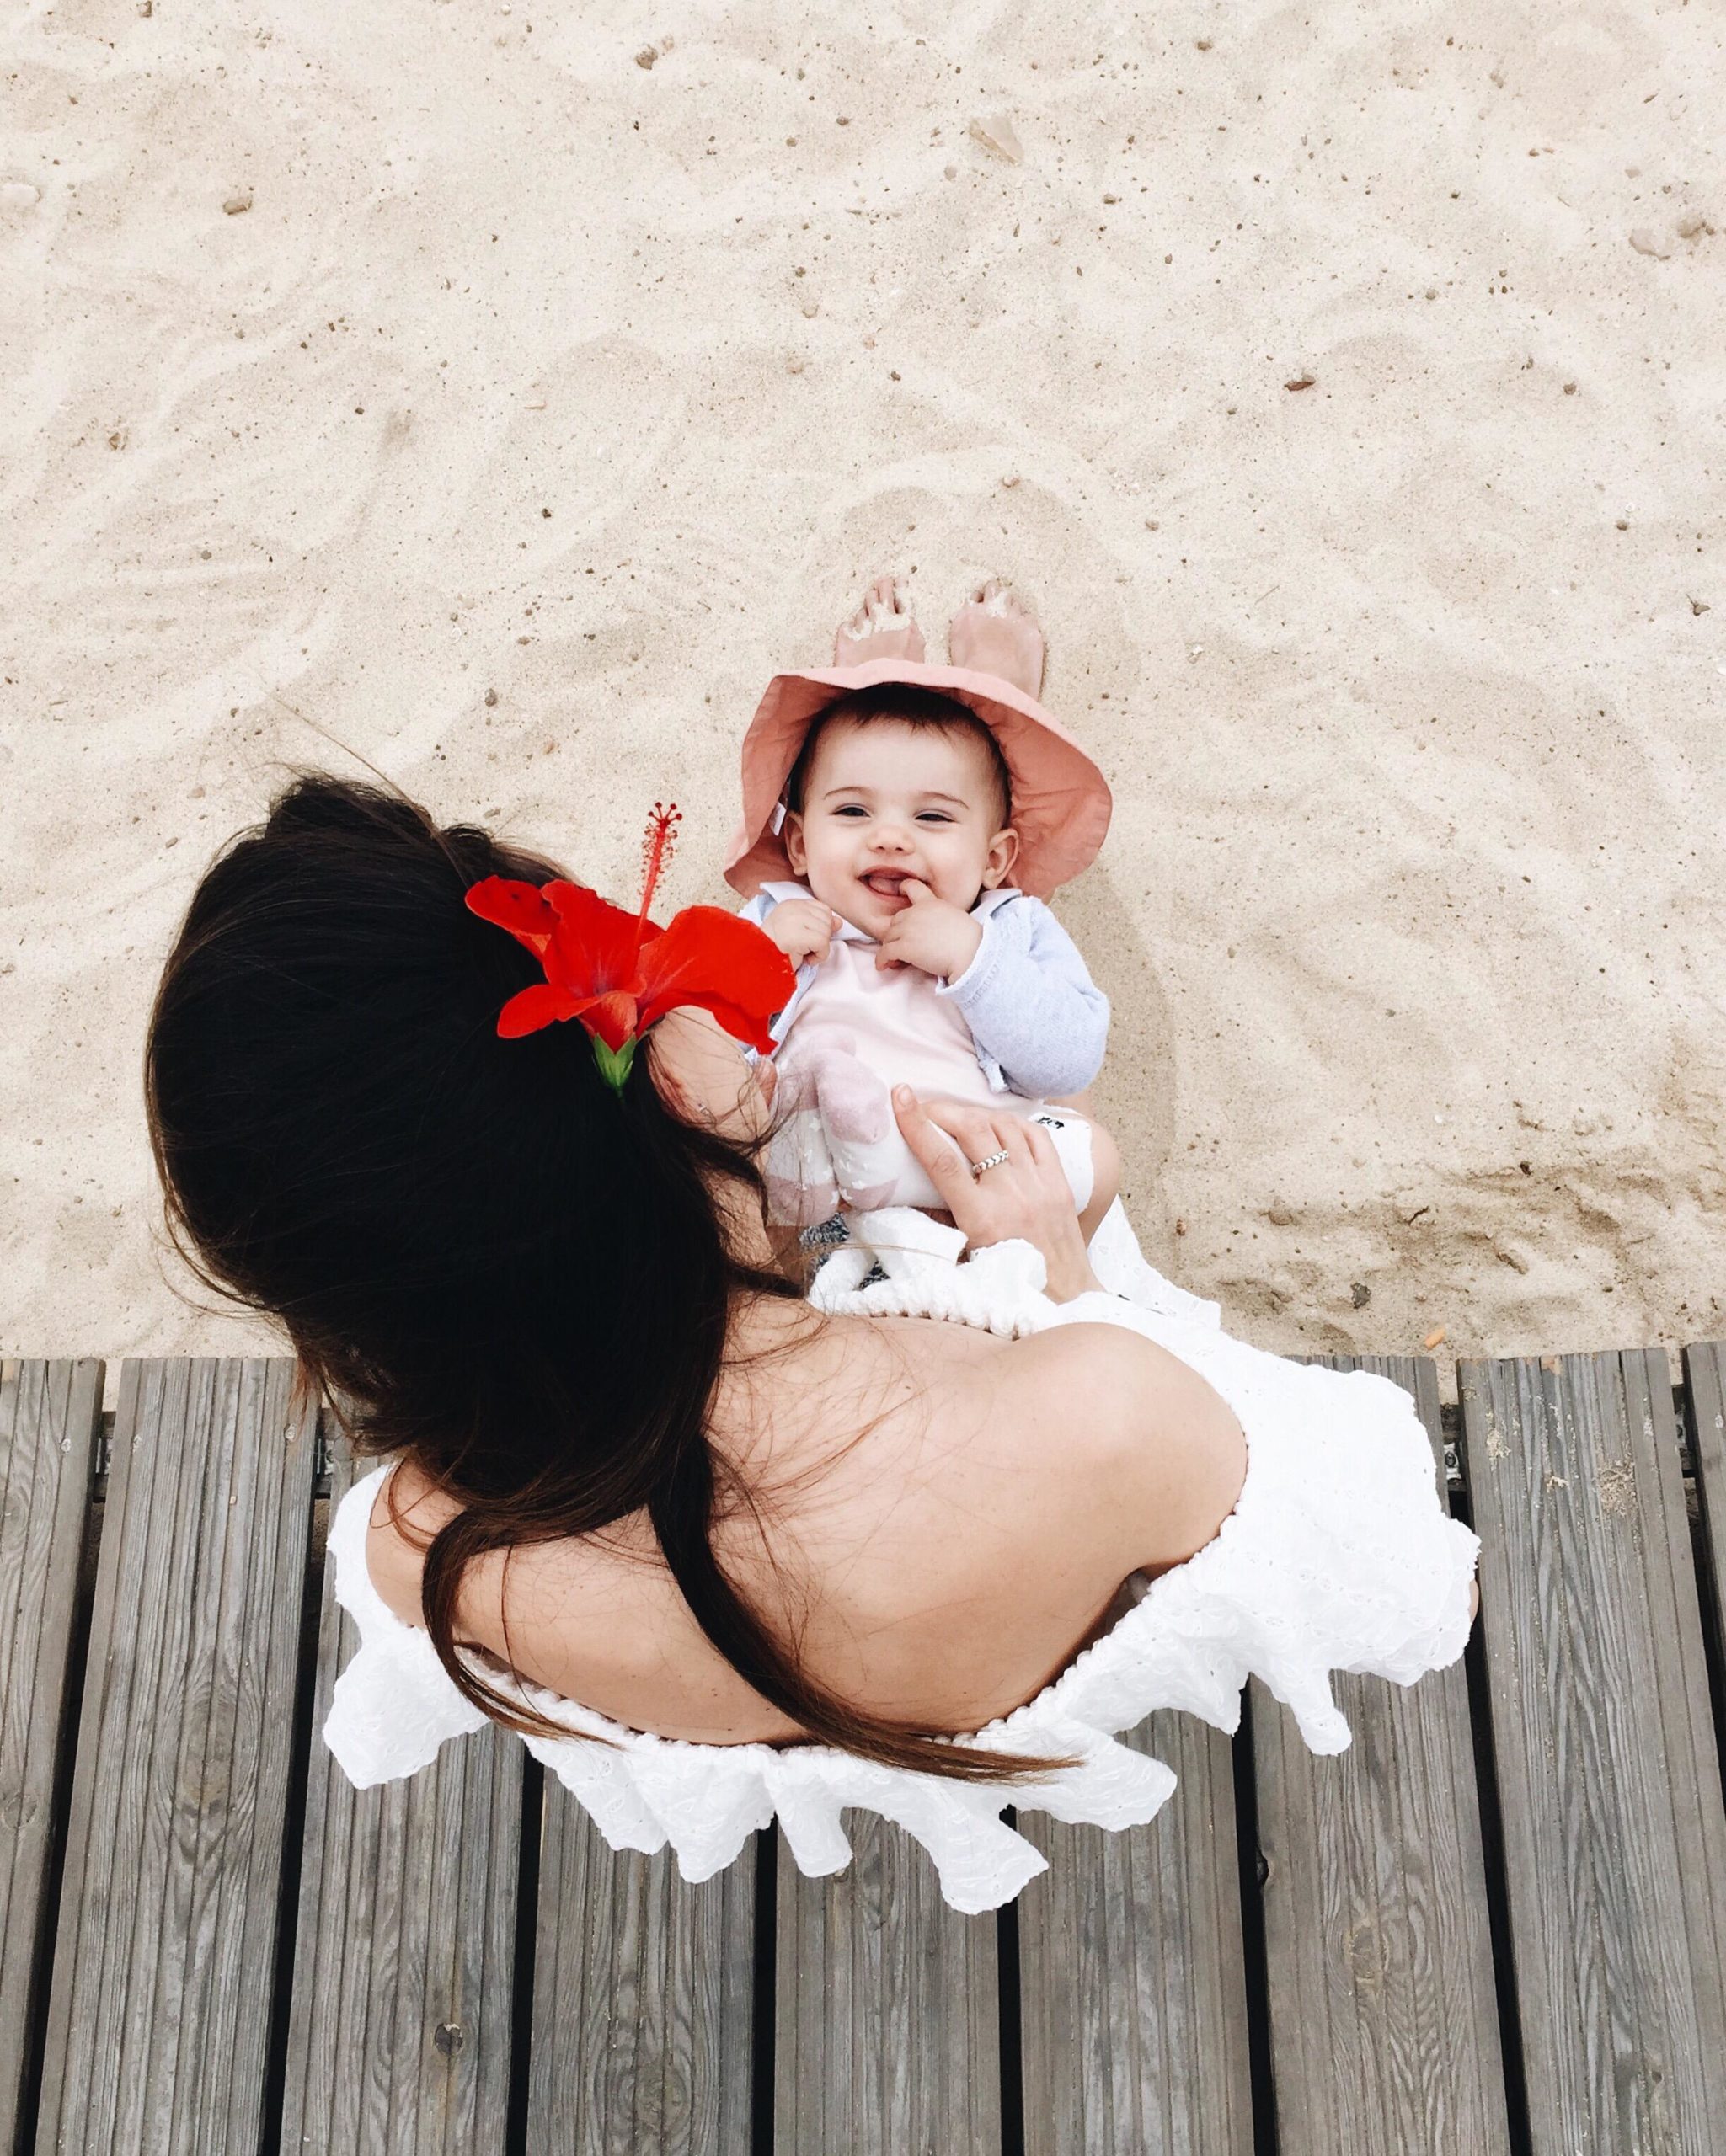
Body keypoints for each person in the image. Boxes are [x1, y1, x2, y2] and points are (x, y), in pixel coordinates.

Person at [144, 741, 1479, 1919]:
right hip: (1025, 1541)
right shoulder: (1097, 1407)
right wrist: (1057, 1284)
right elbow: (1375, 1551)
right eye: (650, 977)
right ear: (661, 1084)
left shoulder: (418, 1551)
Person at [726, 575, 1122, 1241]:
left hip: (979, 1181)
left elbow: (1068, 1061)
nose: (890, 837)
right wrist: (761, 965)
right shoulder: (781, 916)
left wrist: (975, 960)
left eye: (931, 816)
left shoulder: (1005, 925)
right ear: (797, 843)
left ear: (996, 861)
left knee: (1097, 1161)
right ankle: (897, 697)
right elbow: (706, 1059)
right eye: (851, 811)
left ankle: (945, 698)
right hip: (822, 1200)